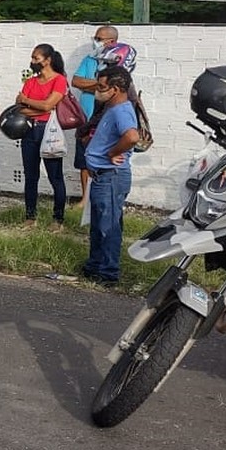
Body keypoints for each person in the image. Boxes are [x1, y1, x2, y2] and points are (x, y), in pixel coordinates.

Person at [82, 66, 139, 286]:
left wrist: (113, 152)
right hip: (101, 176)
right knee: (98, 225)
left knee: (109, 226)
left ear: (115, 89)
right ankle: (95, 265)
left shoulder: (122, 111)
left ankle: (108, 272)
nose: (98, 90)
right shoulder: (111, 108)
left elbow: (132, 137)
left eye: (102, 87)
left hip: (111, 176)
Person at [15, 43, 69, 230]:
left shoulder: (59, 80)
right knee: (31, 176)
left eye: (36, 58)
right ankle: (30, 216)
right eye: (32, 58)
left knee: (55, 177)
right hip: (30, 131)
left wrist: (28, 102)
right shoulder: (30, 81)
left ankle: (58, 219)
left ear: (48, 60)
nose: (32, 62)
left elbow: (48, 105)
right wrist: (37, 107)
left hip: (49, 131)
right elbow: (20, 108)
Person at [70, 24, 119, 206]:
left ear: (112, 41)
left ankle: (105, 197)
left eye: (99, 38)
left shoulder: (118, 61)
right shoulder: (89, 59)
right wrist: (98, 85)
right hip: (86, 118)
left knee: (104, 159)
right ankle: (85, 198)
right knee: (84, 160)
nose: (95, 41)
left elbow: (114, 87)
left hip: (105, 121)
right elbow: (76, 81)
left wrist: (90, 85)